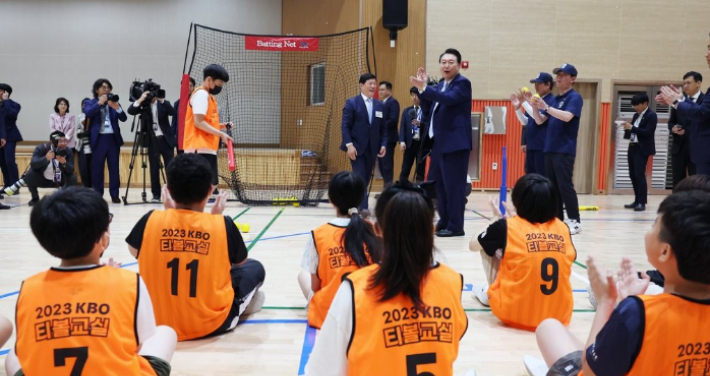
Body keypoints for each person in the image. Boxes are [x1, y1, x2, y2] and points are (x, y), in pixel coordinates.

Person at [524, 190, 710, 376]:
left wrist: (606, 302)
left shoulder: (638, 312)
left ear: (664, 252)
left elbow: (590, 372)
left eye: (654, 225)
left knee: (548, 327)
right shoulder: (640, 309)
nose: (649, 231)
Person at [4, 187, 177, 376]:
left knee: (14, 354)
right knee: (165, 332)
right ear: (103, 238)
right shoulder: (129, 282)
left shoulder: (29, 287)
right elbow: (137, 347)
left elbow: (28, 349)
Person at [305, 182, 468, 375]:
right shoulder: (452, 281)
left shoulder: (356, 288)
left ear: (377, 229)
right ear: (432, 230)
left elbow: (321, 370)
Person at [126, 153, 265, 341]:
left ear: (168, 190)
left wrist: (170, 219)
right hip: (211, 323)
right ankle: (243, 306)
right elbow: (240, 261)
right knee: (254, 268)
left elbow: (134, 251)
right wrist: (214, 219)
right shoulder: (222, 224)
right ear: (209, 190)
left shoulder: (150, 219)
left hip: (156, 322)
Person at [469, 174, 576, 331]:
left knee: (488, 245)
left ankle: (491, 292)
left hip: (512, 313)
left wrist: (494, 219)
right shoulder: (563, 228)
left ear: (518, 199)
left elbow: (473, 245)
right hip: (558, 316)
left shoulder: (505, 227)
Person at [297, 171, 380, 329]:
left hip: (329, 317)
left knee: (303, 275)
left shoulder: (318, 234)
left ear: (331, 199)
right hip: (367, 313)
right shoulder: (372, 230)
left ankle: (315, 305)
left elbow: (315, 286)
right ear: (362, 198)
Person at [410, 48, 472, 237]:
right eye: (443, 62)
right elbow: (428, 108)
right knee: (438, 186)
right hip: (438, 145)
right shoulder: (441, 86)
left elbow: (449, 99)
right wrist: (423, 90)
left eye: (450, 62)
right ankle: (444, 221)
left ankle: (456, 226)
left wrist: (425, 88)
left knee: (454, 187)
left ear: (459, 65)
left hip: (455, 145)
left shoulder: (462, 83)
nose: (446, 65)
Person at [531, 64, 584, 234]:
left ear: (573, 78)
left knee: (565, 185)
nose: (559, 78)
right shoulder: (553, 99)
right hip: (549, 148)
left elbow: (567, 117)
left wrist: (545, 107)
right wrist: (534, 106)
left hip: (564, 149)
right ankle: (557, 220)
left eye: (563, 75)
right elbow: (540, 121)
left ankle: (575, 221)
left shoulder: (574, 98)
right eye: (558, 75)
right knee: (552, 187)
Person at [658, 41, 710, 174]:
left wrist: (676, 102)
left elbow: (700, 113)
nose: (706, 54)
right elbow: (701, 111)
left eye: (709, 49)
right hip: (694, 151)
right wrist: (679, 99)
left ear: (699, 83)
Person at [184, 64, 234, 200]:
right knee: (203, 187)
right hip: (198, 148)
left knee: (211, 186)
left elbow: (208, 122)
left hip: (207, 148)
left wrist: (223, 126)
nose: (220, 87)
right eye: (219, 83)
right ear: (209, 80)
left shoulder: (210, 97)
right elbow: (198, 122)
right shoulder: (201, 94)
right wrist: (222, 134)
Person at [340, 73, 387, 216]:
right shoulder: (352, 103)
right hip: (356, 148)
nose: (373, 86)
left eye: (375, 83)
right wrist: (349, 145)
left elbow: (383, 128)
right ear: (361, 85)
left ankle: (352, 202)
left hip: (372, 149)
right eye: (370, 83)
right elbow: (345, 126)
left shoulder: (379, 105)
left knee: (365, 179)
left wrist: (383, 144)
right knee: (360, 177)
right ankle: (363, 209)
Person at [128, 90, 177, 202]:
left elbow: (173, 112)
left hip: (166, 140)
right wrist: (140, 99)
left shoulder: (164, 103)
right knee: (154, 169)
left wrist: (162, 100)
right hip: (152, 141)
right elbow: (131, 111)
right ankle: (156, 195)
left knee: (170, 168)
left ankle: (173, 193)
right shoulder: (144, 107)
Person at [83, 78, 127, 203]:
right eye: (104, 87)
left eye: (108, 88)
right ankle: (98, 194)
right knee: (97, 168)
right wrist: (99, 103)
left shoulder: (113, 101)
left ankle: (114, 194)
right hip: (99, 139)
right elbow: (87, 113)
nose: (106, 90)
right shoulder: (90, 102)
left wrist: (117, 108)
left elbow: (124, 118)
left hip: (113, 139)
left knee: (114, 168)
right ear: (97, 90)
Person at [514, 72, 555, 175]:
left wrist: (525, 102)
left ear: (548, 85)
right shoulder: (535, 99)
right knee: (530, 176)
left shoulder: (551, 100)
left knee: (541, 177)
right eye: (535, 83)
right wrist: (517, 108)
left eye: (539, 83)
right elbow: (525, 122)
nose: (535, 86)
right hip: (532, 146)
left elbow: (539, 119)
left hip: (542, 146)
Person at [622, 93, 656, 212]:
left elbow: (647, 132)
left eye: (637, 105)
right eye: (634, 105)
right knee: (632, 174)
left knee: (640, 175)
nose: (635, 107)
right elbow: (633, 131)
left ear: (645, 104)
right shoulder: (636, 115)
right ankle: (637, 200)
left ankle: (642, 202)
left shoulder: (652, 116)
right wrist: (626, 128)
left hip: (642, 149)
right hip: (632, 147)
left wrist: (632, 128)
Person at [22, 131, 76, 206]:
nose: (63, 144)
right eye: (60, 141)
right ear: (52, 142)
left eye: (65, 141)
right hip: (42, 179)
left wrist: (64, 163)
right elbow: (33, 164)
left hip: (58, 180)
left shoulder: (67, 151)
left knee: (72, 178)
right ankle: (35, 198)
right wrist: (45, 159)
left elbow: (71, 170)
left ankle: (64, 198)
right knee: (29, 175)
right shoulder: (42, 148)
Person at [668, 72, 703, 185]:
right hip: (679, 147)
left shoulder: (705, 100)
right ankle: (677, 203)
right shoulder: (678, 101)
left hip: (698, 148)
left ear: (698, 83)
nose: (685, 86)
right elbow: (671, 122)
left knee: (697, 181)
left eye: (688, 83)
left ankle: (696, 203)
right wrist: (673, 128)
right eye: (684, 83)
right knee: (677, 180)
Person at [399, 86, 426, 182]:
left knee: (420, 171)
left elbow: (429, 125)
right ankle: (402, 191)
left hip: (422, 145)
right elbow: (402, 127)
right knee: (405, 170)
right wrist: (402, 141)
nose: (414, 97)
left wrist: (421, 124)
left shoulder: (426, 111)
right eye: (412, 95)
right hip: (410, 144)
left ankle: (420, 192)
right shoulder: (407, 111)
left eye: (417, 95)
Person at [0, 83, 23, 193]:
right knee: (2, 162)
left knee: (9, 161)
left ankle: (14, 187)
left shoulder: (14, 105)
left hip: (9, 137)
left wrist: (6, 101)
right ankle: (7, 185)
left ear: (6, 92)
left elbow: (11, 115)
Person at [377, 81, 400, 189]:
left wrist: (380, 126)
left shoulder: (393, 102)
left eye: (383, 89)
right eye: (380, 90)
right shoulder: (380, 103)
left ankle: (388, 190)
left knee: (387, 164)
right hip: (381, 139)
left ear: (389, 90)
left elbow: (393, 120)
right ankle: (386, 189)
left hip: (389, 139)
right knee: (381, 165)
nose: (380, 92)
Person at [172, 76, 196, 154]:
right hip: (181, 140)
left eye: (191, 86)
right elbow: (174, 124)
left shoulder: (197, 102)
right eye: (186, 85)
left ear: (194, 87)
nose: (188, 88)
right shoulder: (177, 104)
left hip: (194, 140)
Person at [74, 98, 93, 188]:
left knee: (92, 165)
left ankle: (93, 184)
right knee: (83, 166)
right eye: (84, 104)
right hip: (82, 143)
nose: (85, 106)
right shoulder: (80, 116)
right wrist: (79, 132)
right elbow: (78, 127)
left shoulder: (94, 115)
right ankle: (85, 184)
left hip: (92, 143)